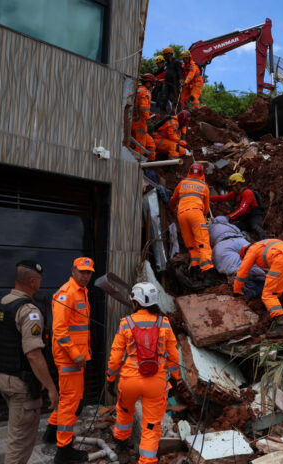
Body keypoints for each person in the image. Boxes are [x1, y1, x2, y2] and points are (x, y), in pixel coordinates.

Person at [0, 260, 58, 464]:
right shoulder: (29, 311)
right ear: (32, 281)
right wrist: (51, 388)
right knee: (20, 443)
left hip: (2, 377)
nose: (40, 283)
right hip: (22, 385)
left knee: (17, 432)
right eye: (39, 280)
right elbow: (33, 355)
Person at [106, 282, 181, 464]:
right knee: (151, 426)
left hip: (129, 382)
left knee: (124, 412)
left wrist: (110, 378)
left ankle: (122, 448)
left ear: (136, 302)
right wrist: (175, 379)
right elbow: (173, 355)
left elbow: (115, 357)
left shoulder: (126, 323)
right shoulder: (164, 323)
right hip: (156, 383)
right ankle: (147, 460)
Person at [44, 257, 95, 463]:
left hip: (76, 357)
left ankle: (51, 432)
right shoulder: (67, 293)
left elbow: (78, 327)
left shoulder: (81, 291)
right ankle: (64, 451)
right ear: (73, 271)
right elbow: (59, 330)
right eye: (82, 271)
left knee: (69, 399)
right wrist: (75, 354)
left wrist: (85, 349)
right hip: (69, 358)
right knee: (71, 403)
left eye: (88, 272)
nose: (85, 276)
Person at [233, 239, 283, 338]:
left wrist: (236, 291)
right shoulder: (266, 243)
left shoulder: (251, 250)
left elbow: (242, 272)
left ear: (244, 253)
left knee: (268, 295)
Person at [168, 163, 216, 286]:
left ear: (189, 171)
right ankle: (208, 276)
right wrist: (202, 218)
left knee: (191, 246)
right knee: (203, 244)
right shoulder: (204, 186)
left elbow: (173, 200)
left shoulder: (182, 183)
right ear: (202, 173)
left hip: (181, 215)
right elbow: (206, 208)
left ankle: (194, 275)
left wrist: (172, 209)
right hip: (196, 213)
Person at [210, 173, 266, 239]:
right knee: (233, 227)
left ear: (238, 185)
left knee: (256, 227)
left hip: (254, 216)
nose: (231, 189)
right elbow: (222, 198)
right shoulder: (235, 194)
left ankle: (266, 240)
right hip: (245, 219)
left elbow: (242, 210)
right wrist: (208, 198)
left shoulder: (247, 193)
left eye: (232, 186)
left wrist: (228, 217)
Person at [132, 74, 156, 158]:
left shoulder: (137, 90)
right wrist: (148, 119)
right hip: (140, 123)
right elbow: (144, 107)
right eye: (152, 85)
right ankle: (136, 161)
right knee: (140, 147)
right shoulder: (146, 92)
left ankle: (149, 162)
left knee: (150, 144)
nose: (152, 87)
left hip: (133, 121)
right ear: (148, 83)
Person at [156, 47, 183, 113]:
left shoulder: (176, 62)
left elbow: (179, 71)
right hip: (167, 83)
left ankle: (176, 112)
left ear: (169, 54)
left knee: (176, 98)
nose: (164, 57)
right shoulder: (166, 64)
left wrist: (181, 79)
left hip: (175, 83)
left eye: (165, 55)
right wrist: (151, 75)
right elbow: (158, 71)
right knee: (164, 97)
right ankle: (162, 112)